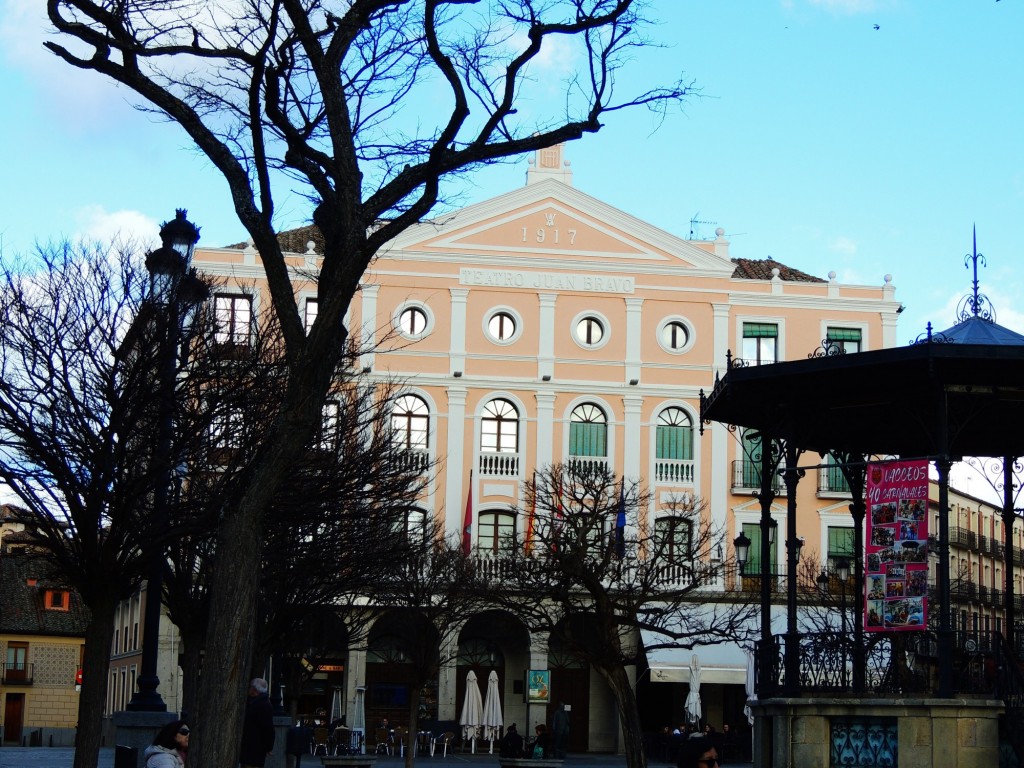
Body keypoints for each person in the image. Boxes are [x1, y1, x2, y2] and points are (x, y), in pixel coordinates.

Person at [240, 677, 276, 768]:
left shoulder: (262, 705)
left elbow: (268, 729)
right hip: (253, 747)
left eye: (250, 687)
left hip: (254, 748)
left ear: (254, 689)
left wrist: (269, 747)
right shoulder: (261, 703)